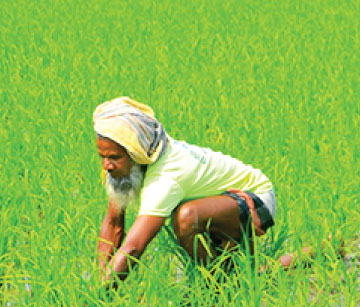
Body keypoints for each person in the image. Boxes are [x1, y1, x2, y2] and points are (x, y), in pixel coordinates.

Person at [92, 97, 280, 285]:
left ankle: (217, 285)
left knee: (186, 217)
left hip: (252, 199)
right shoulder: (120, 168)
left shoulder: (166, 177)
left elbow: (133, 248)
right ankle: (233, 280)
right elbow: (113, 223)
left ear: (135, 154)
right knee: (250, 280)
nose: (106, 165)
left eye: (114, 157)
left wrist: (97, 297)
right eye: (103, 156)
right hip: (216, 204)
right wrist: (100, 277)